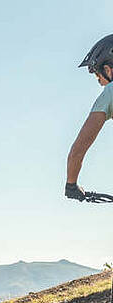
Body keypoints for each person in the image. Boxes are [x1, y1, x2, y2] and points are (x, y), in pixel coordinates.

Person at [66, 34, 113, 201]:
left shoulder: (110, 92)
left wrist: (71, 185)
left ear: (108, 70)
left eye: (98, 75)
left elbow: (77, 151)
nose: (99, 82)